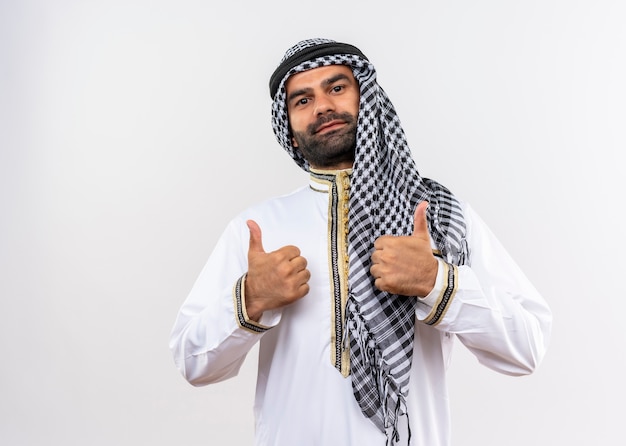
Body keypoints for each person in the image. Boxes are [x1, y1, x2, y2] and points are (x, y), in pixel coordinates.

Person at [169, 38, 552, 446]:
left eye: (336, 88)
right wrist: (249, 299)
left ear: (367, 101)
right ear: (292, 134)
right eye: (302, 101)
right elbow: (193, 364)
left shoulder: (439, 214)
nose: (322, 107)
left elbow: (526, 347)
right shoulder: (258, 228)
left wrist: (437, 283)